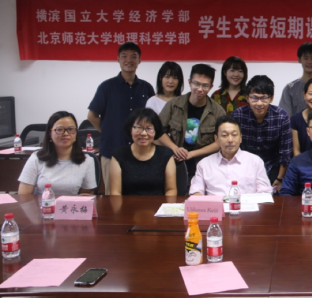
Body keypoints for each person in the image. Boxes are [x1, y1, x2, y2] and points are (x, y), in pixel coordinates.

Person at [87, 42, 155, 193]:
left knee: (139, 195)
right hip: (112, 150)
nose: (129, 60)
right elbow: (92, 116)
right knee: (113, 196)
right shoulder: (106, 87)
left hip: (141, 152)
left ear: (139, 60)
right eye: (124, 56)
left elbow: (152, 119)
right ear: (118, 59)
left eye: (133, 56)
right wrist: (108, 131)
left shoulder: (147, 88)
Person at [158, 63, 226, 180]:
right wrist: (175, 148)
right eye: (196, 84)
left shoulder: (218, 111)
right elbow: (158, 131)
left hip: (205, 164)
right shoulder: (173, 105)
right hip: (175, 161)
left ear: (211, 87)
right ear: (190, 82)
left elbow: (221, 141)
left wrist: (191, 154)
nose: (200, 89)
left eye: (205, 85)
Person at [233, 75, 293, 192]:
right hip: (245, 165)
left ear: (271, 98)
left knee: (275, 196)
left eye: (264, 98)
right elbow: (235, 147)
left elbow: (285, 152)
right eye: (254, 98)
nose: (259, 103)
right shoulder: (238, 115)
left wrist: (279, 178)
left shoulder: (281, 116)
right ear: (247, 98)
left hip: (273, 165)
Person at [189, 116, 272, 196]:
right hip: (216, 205)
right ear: (216, 139)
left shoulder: (255, 162)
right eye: (224, 135)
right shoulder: (204, 164)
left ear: (240, 138)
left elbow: (265, 193)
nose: (230, 140)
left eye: (234, 134)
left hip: (246, 205)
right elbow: (196, 192)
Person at [18, 111, 97, 195]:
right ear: (50, 133)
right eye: (59, 129)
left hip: (71, 203)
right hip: (43, 203)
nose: (66, 133)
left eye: (71, 129)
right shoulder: (36, 158)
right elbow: (24, 195)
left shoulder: (87, 161)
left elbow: (87, 194)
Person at [110, 108, 177, 196]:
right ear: (130, 129)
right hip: (127, 204)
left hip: (159, 204)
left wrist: (164, 205)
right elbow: (115, 193)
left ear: (155, 131)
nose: (144, 133)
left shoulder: (166, 154)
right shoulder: (118, 155)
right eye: (139, 128)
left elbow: (171, 190)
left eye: (149, 128)